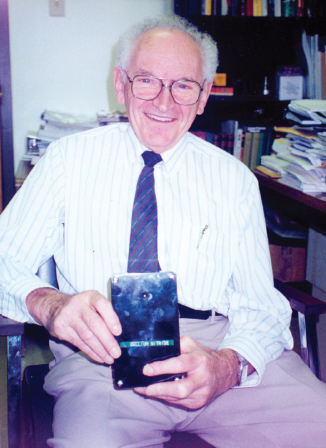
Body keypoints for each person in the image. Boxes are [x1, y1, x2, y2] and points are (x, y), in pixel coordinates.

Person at [0, 14, 326, 448]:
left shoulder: (234, 179)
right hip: (103, 357)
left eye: (184, 85)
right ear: (121, 84)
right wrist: (51, 304)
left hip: (216, 346)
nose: (165, 102)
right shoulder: (66, 160)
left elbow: (260, 305)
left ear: (204, 95)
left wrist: (229, 364)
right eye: (147, 81)